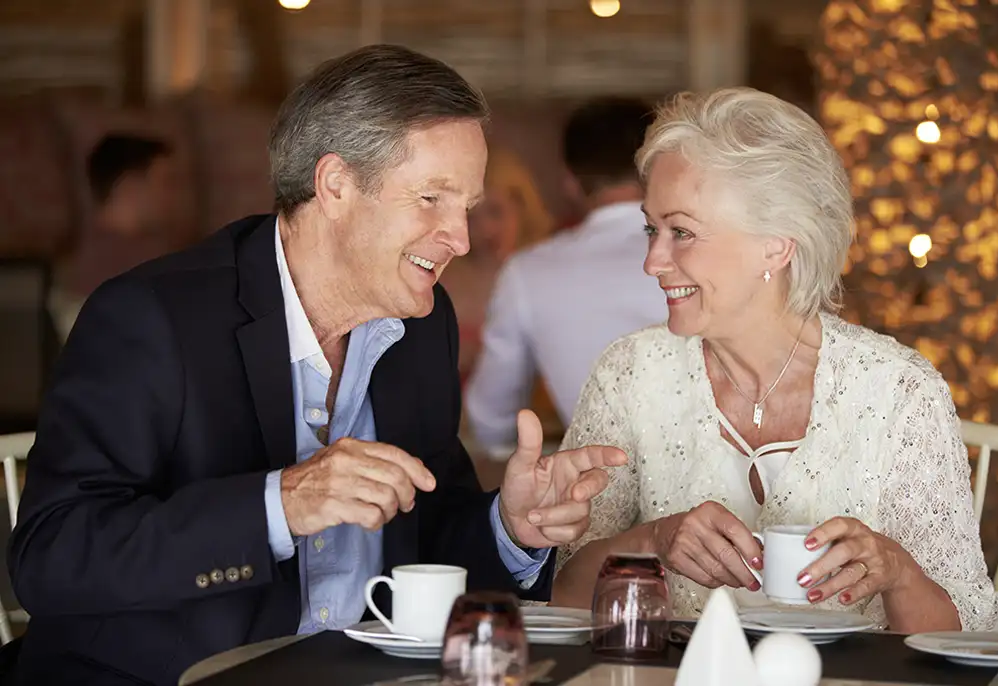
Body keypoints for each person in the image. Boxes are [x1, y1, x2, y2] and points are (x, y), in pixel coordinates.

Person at [7, 45, 626, 686]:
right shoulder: (152, 317)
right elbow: (50, 559)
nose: (461, 240)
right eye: (431, 199)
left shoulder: (421, 325)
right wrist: (282, 504)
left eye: (465, 207)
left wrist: (509, 529)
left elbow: (428, 539)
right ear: (335, 186)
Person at [550, 87, 998, 634]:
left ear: (776, 246)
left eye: (682, 232)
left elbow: (967, 633)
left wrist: (896, 571)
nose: (652, 261)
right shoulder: (629, 372)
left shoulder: (899, 390)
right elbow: (565, 597)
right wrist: (650, 541)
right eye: (652, 229)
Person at [465, 97, 666, 458]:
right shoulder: (705, 250)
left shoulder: (529, 272)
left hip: (599, 486)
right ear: (658, 169)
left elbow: (491, 416)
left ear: (570, 183)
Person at [440, 146, 554, 378]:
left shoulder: (548, 274)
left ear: (521, 207)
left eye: (495, 212)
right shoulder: (439, 278)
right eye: (471, 218)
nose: (485, 229)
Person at [49, 133, 176, 340]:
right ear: (129, 189)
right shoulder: (131, 264)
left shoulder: (81, 258)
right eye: (166, 183)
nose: (172, 196)